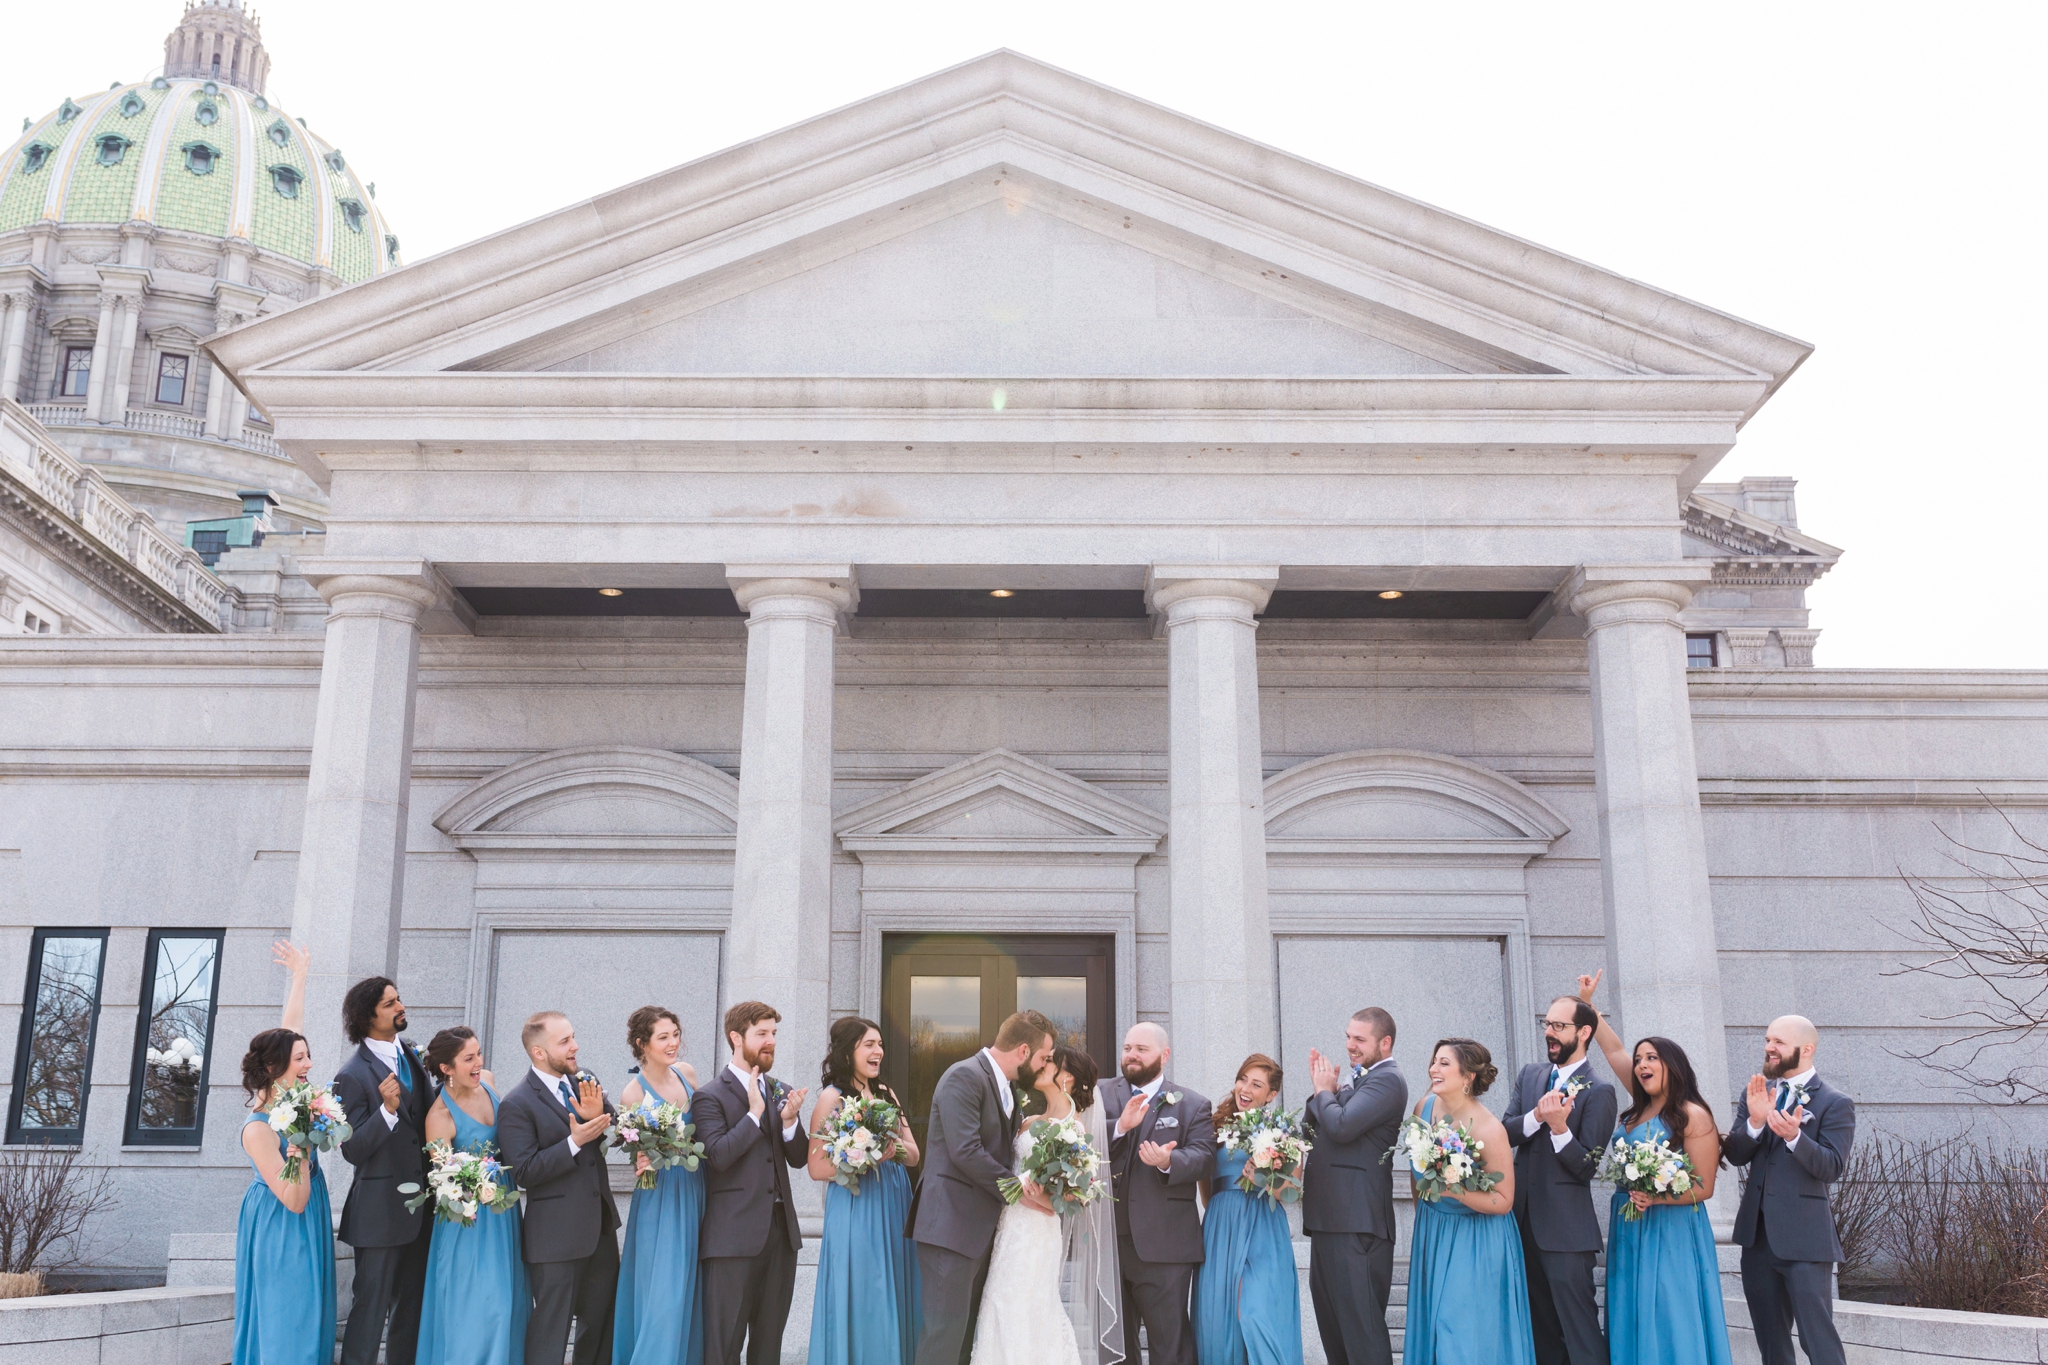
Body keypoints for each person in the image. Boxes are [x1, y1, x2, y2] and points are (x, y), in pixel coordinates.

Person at [908, 1010, 1057, 1365]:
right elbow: (965, 1150)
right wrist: (1017, 1190)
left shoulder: (1005, 1088)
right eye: (1043, 1058)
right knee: (943, 1337)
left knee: (965, 1340)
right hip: (951, 1228)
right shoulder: (965, 1075)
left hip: (979, 1231)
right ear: (1023, 1051)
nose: (1044, 1065)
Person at [966, 1042, 1112, 1365]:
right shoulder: (1028, 1120)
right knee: (997, 1304)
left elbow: (1073, 1197)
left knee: (1020, 1307)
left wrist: (1036, 1197)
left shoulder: (1073, 1130)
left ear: (1067, 1077)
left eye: (1049, 1062)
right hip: (1007, 1228)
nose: (1041, 1065)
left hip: (1036, 1233)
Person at [1723, 1016, 1857, 1365]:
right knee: (1771, 1344)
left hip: (1806, 1241)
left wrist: (1795, 1137)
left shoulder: (1835, 1102)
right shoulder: (1754, 1093)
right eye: (1768, 1040)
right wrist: (1754, 1122)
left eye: (1779, 1042)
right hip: (1757, 1238)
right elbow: (1735, 1155)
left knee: (1819, 1341)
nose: (1769, 1047)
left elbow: (1831, 1167)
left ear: (1806, 1048)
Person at [234, 940, 336, 1365]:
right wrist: (302, 1147)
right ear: (276, 1068)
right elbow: (293, 1199)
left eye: (309, 1055)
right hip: (281, 1223)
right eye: (301, 1058)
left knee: (314, 1316)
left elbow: (289, 1030)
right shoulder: (260, 1127)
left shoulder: (294, 1095)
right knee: (287, 1318)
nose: (309, 1063)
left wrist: (300, 977)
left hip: (309, 1213)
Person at [1402, 1038, 1534, 1365]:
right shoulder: (1424, 1107)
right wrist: (1425, 1212)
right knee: (1435, 1327)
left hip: (1477, 1238)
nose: (1434, 1068)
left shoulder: (1489, 1129)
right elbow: (1416, 1169)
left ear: (1468, 1076)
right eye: (1434, 1061)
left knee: (1457, 1329)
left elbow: (1503, 1200)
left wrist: (1452, 1190)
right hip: (1434, 1229)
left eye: (1444, 1063)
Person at [497, 1010, 618, 1365]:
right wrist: (574, 1141)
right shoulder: (516, 1103)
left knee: (599, 1331)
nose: (575, 1047)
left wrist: (596, 1116)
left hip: (600, 1229)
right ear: (539, 1052)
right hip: (554, 1239)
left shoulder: (585, 1078)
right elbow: (525, 1171)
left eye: (573, 1037)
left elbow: (610, 1126)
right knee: (550, 1334)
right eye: (565, 1041)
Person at [695, 1001, 811, 1365]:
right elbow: (718, 1156)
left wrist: (790, 1121)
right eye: (761, 1034)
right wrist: (754, 1114)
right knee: (725, 1343)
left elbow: (798, 1159)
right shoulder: (709, 1095)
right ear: (736, 1037)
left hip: (781, 1235)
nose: (770, 1041)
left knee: (769, 1343)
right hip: (732, 1238)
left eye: (773, 1033)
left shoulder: (781, 1089)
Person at [1502, 998, 1617, 1365]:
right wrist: (1537, 1116)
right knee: (1542, 1333)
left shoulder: (1600, 1091)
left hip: (1567, 1234)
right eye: (1547, 1024)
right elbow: (1504, 1132)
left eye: (1559, 1026)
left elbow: (1586, 1166)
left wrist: (1559, 1128)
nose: (1550, 1033)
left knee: (1579, 1331)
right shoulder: (1531, 1075)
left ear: (1584, 1032)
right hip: (1522, 1225)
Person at [333, 974, 436, 1365]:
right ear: (367, 1017)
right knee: (370, 1310)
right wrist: (387, 1112)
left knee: (410, 1309)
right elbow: (353, 1149)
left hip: (420, 1210)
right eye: (390, 1004)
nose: (400, 1007)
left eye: (399, 999)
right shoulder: (351, 1075)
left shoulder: (411, 1054)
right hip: (378, 1212)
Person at [1099, 1022, 1216, 1365]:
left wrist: (1169, 1161)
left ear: (1164, 1056)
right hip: (1110, 1241)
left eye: (1141, 1049)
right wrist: (1120, 1126)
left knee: (1170, 1345)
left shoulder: (1192, 1104)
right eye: (1127, 1048)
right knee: (1114, 1346)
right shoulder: (1099, 1094)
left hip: (1166, 1247)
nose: (1131, 1055)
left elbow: (1205, 1158)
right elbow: (1079, 1140)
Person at [806, 1015, 922, 1365]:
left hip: (893, 1200)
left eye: (880, 1044)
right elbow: (815, 1167)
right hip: (857, 1204)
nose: (879, 1052)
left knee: (893, 1287)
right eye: (869, 1045)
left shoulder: (887, 1093)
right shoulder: (831, 1098)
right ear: (847, 1053)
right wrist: (862, 1156)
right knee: (865, 1289)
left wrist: (892, 1150)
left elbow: (914, 1154)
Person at [416, 1026, 528, 1365]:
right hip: (467, 1223)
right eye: (469, 1058)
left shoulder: (489, 1083)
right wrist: (477, 1182)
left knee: (509, 1305)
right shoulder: (439, 1117)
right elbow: (446, 1183)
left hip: (504, 1214)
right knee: (478, 1308)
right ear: (447, 1069)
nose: (479, 1063)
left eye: (478, 1053)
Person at [1301, 1007, 1406, 1365]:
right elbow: (1312, 1130)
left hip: (1357, 1224)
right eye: (1348, 1036)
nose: (1350, 1045)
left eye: (1359, 1039)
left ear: (1385, 1042)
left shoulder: (1388, 1080)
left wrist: (1323, 1093)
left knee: (1363, 1340)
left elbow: (1343, 1126)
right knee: (1336, 1339)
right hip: (1328, 1221)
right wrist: (1323, 1092)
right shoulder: (1354, 1080)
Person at [1194, 1054, 1304, 1365]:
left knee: (1255, 1313)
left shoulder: (1282, 1132)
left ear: (1271, 1095)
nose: (1245, 1088)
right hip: (1221, 1227)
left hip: (1263, 1227)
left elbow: (1294, 1190)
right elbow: (1206, 1192)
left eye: (1256, 1084)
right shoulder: (1213, 1128)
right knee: (1221, 1321)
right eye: (1242, 1079)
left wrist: (1264, 1180)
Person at [614, 1005, 708, 1365]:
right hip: (659, 1194)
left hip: (696, 1185)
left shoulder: (688, 1075)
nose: (673, 1043)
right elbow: (639, 1154)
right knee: (662, 1288)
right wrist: (642, 1161)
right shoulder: (632, 1093)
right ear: (642, 1043)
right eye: (663, 1037)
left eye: (675, 1034)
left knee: (690, 1284)